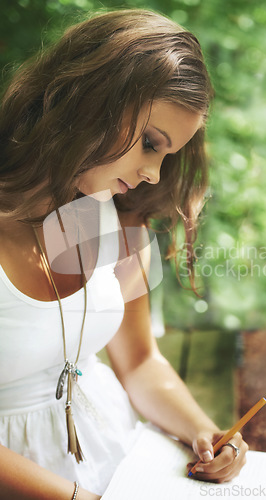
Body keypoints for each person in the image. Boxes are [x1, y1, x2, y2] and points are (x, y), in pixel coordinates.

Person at [0, 9, 248, 500]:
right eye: (150, 143)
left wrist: (203, 433)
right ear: (90, 100)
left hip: (122, 458)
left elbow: (138, 362)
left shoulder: (125, 217)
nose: (154, 174)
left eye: (167, 155)